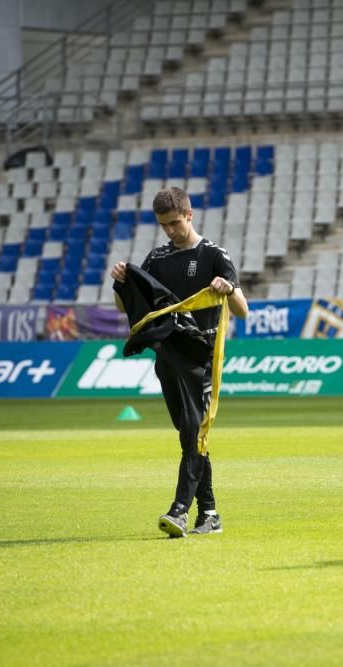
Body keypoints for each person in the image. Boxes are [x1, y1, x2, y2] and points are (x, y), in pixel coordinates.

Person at [112, 187, 249, 538]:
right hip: (168, 358)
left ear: (189, 215)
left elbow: (243, 311)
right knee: (189, 435)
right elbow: (124, 307)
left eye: (175, 223)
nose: (170, 231)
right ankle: (211, 512)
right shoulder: (156, 259)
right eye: (163, 225)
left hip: (201, 357)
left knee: (193, 432)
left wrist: (228, 289)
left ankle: (180, 511)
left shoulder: (214, 255)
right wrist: (121, 285)